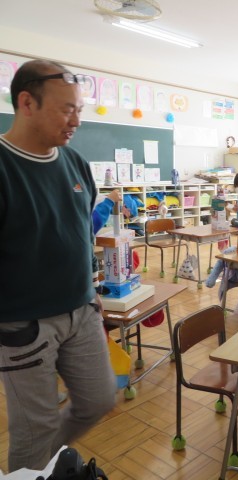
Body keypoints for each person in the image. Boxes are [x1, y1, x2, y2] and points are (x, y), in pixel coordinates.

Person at [0, 60, 116, 471]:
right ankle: (32, 470)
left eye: (79, 110)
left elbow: (81, 233)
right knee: (35, 429)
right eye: (67, 109)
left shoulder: (75, 163)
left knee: (99, 400)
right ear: (26, 103)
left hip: (81, 311)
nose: (77, 121)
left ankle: (42, 465)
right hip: (23, 325)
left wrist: (93, 291)